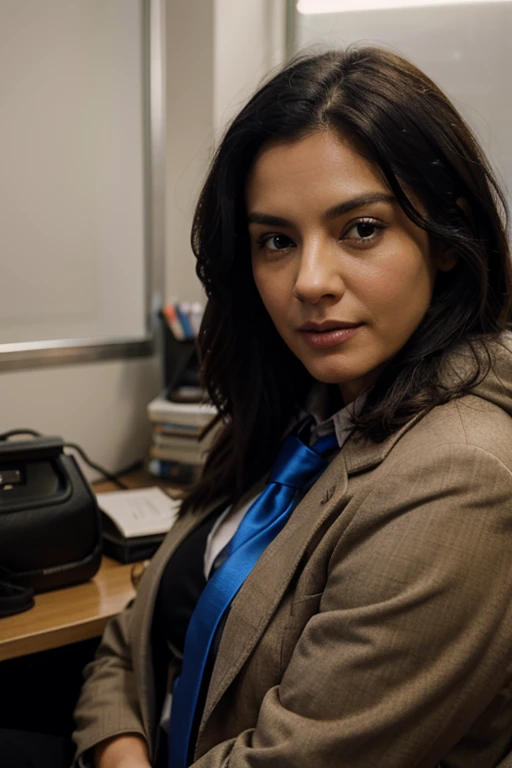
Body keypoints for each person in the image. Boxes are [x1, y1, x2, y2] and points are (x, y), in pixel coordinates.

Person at [72, 46, 512, 768]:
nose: (309, 282)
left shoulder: (460, 474)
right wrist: (117, 748)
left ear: (448, 241)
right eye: (276, 240)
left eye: (360, 229)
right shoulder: (301, 414)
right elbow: (137, 631)